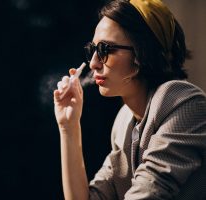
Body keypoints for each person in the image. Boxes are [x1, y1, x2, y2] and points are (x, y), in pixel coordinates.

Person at [53, 0, 206, 199]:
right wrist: (68, 127)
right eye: (93, 50)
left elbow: (148, 192)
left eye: (105, 50)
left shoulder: (182, 101)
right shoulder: (124, 120)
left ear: (142, 54)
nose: (93, 64)